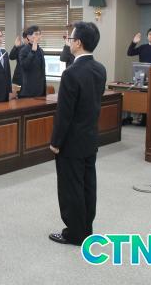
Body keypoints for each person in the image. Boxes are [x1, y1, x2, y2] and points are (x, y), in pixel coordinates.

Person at [49, 21, 106, 246]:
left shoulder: (71, 73)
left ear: (78, 43)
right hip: (90, 137)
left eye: (70, 39)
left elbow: (64, 114)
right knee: (87, 185)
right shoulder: (100, 69)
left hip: (71, 142)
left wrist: (55, 142)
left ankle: (74, 233)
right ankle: (86, 228)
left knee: (70, 188)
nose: (69, 42)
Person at [18, 26, 46, 98]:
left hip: (41, 90)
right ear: (28, 37)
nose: (39, 36)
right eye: (36, 34)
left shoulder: (41, 50)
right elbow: (24, 66)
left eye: (39, 34)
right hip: (29, 91)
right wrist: (32, 51)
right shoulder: (23, 50)